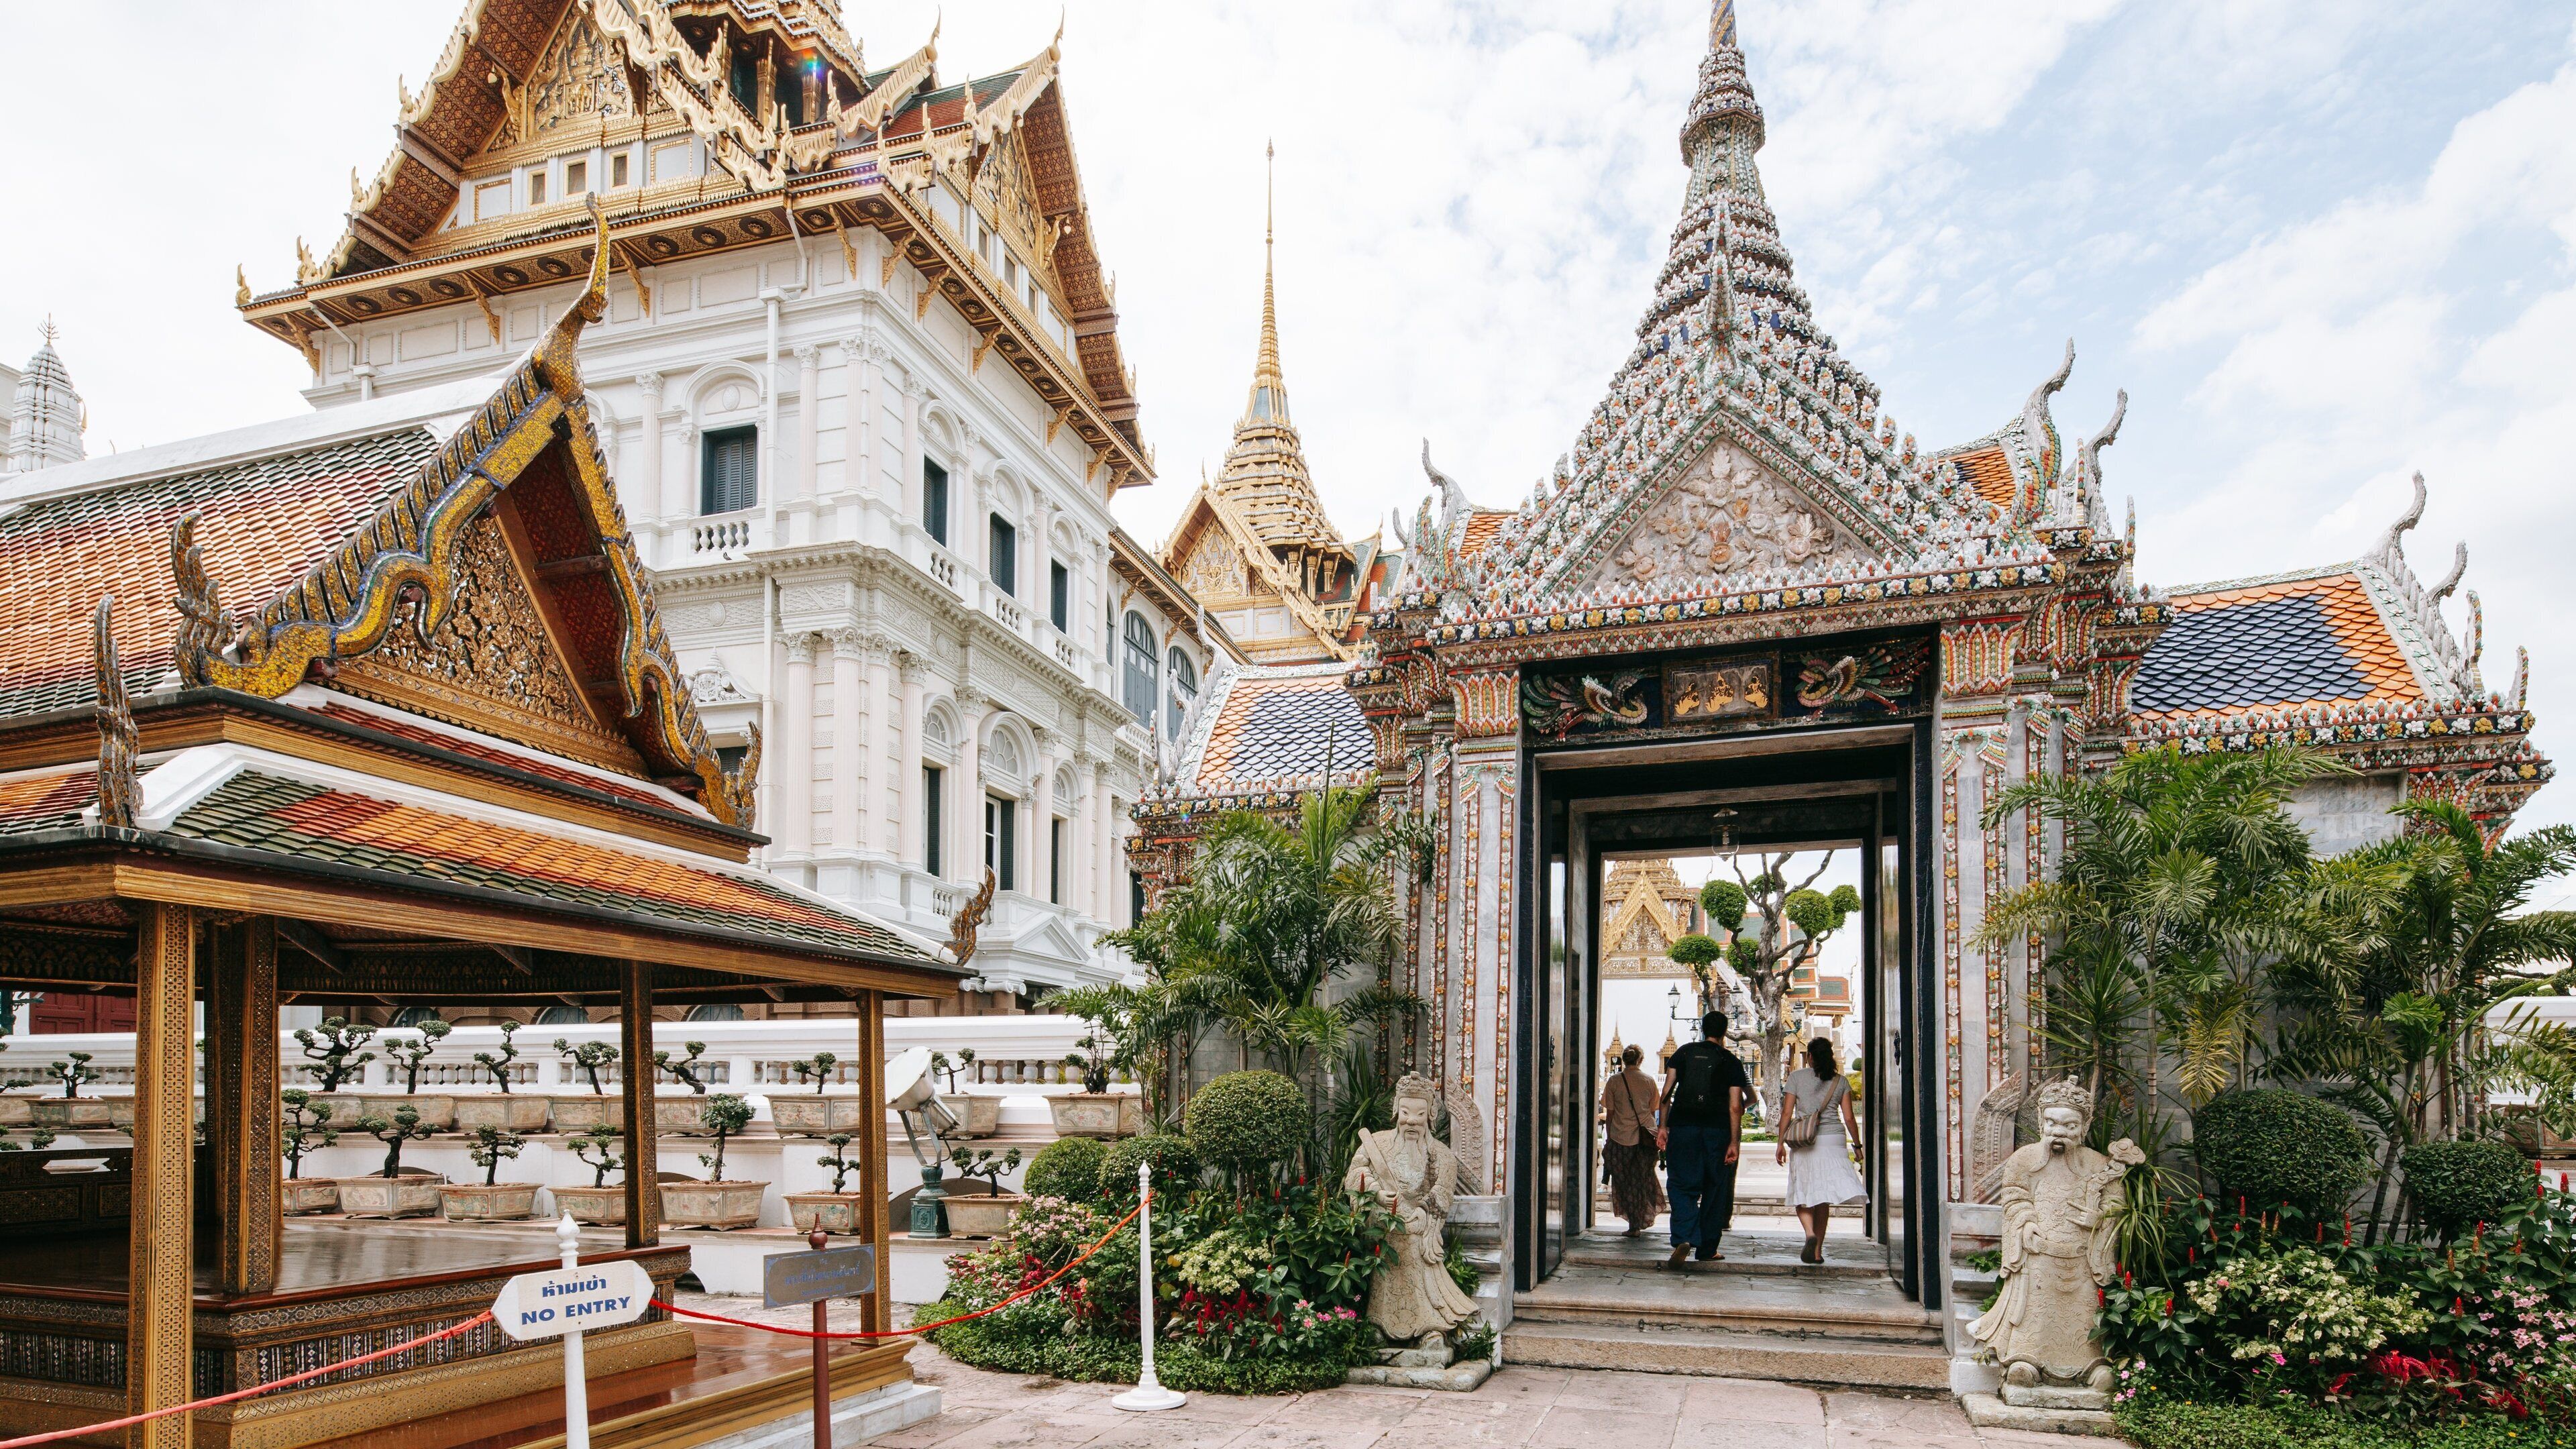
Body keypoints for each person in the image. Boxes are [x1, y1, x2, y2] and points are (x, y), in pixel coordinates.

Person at [1655, 1009, 1748, 1268]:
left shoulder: (1683, 1052)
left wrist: (1663, 1126)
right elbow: (1734, 1106)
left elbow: (1666, 1092)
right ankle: (1707, 1248)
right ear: (1724, 1031)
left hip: (1684, 1127)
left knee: (1681, 1185)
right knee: (1714, 1188)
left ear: (1703, 1028)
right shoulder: (1730, 1060)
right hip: (1716, 1131)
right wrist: (1734, 1141)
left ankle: (1684, 1236)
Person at [1775, 1037, 1866, 1265]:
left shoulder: (1796, 1078)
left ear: (1810, 1057)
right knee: (1823, 1198)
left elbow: (1787, 1114)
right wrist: (1858, 1145)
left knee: (1803, 1192)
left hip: (1805, 1140)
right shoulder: (1841, 1081)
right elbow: (1848, 1117)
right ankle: (1817, 1253)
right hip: (1833, 1139)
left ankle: (1810, 1235)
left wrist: (1780, 1143)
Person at [1598, 1044, 1666, 1235]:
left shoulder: (1614, 1081)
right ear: (1640, 1060)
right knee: (1643, 1180)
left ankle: (1633, 1224)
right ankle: (1643, 1216)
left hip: (1621, 1139)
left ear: (1623, 1060)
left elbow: (1609, 1114)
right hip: (1644, 1140)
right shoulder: (1648, 1080)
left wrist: (1610, 1137)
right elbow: (1654, 1109)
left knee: (1625, 1182)